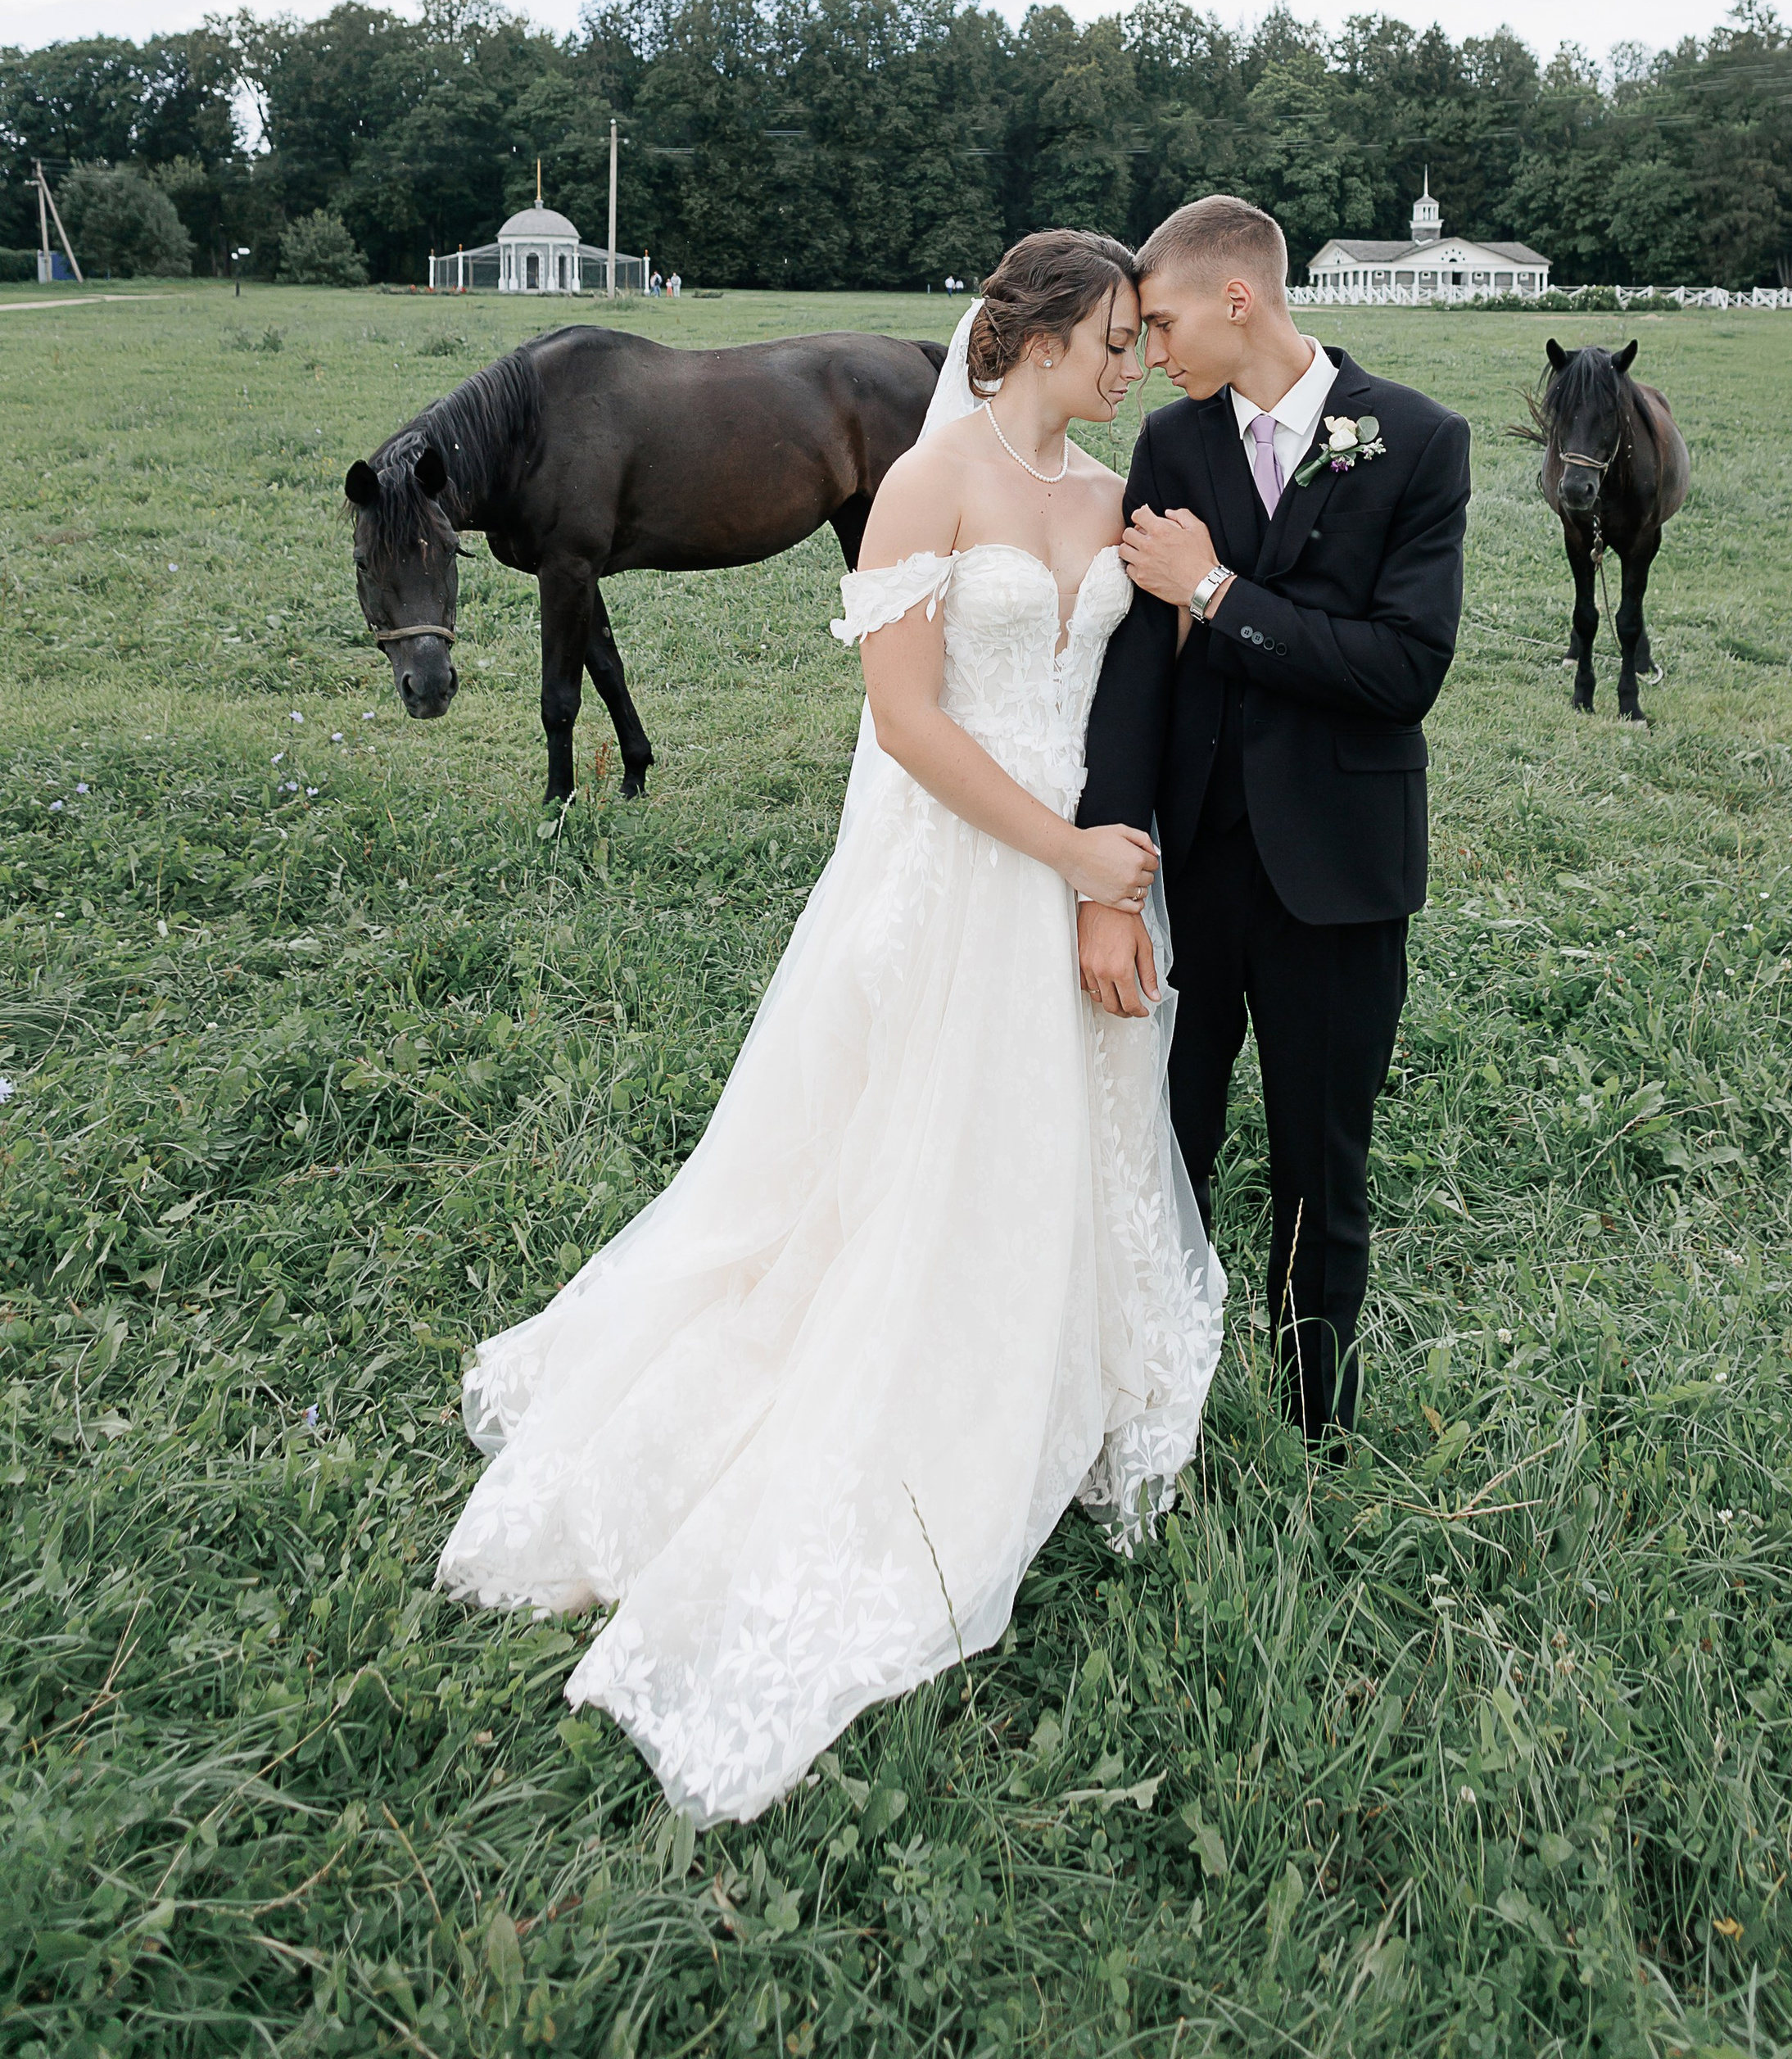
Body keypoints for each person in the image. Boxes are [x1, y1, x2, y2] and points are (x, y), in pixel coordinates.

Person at [437, 231, 1224, 1825]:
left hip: (1089, 874)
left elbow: (1138, 694)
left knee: (1059, 1133)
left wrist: (1182, 655)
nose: (1135, 363)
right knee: (915, 1141)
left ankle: (1055, 1367)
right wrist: (1066, 853)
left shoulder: (1113, 497)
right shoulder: (928, 483)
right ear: (1042, 337)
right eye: (1115, 338)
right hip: (968, 862)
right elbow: (908, 720)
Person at [1075, 196, 1468, 1442]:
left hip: (1340, 877)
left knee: (1321, 1166)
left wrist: (1217, 591)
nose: (1150, 354)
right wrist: (1110, 874)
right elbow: (1136, 672)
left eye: (1162, 324)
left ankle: (1318, 1429)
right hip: (1191, 868)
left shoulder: (1417, 440)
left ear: (1237, 300)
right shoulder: (1172, 445)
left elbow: (1402, 670)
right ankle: (1160, 1416)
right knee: (1165, 1150)